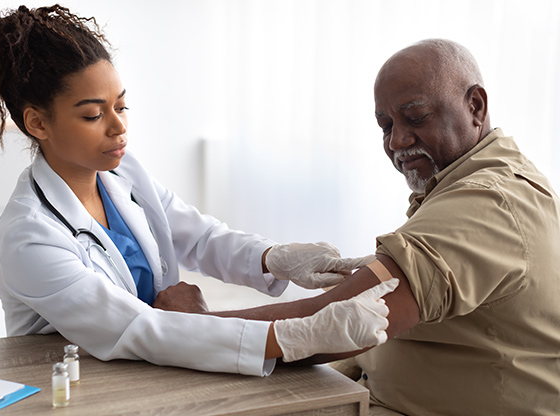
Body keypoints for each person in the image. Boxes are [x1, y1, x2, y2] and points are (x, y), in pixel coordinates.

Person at [0, 5, 398, 376]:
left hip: (159, 365)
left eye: (121, 106)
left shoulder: (123, 175)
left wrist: (276, 259)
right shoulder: (28, 235)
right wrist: (291, 336)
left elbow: (199, 236)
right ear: (38, 123)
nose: (119, 127)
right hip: (81, 386)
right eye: (93, 115)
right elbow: (136, 328)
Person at [183, 39, 560, 415]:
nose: (397, 141)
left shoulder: (486, 201)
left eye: (416, 118)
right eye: (386, 126)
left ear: (475, 106)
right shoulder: (477, 178)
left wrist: (192, 327)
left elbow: (334, 321)